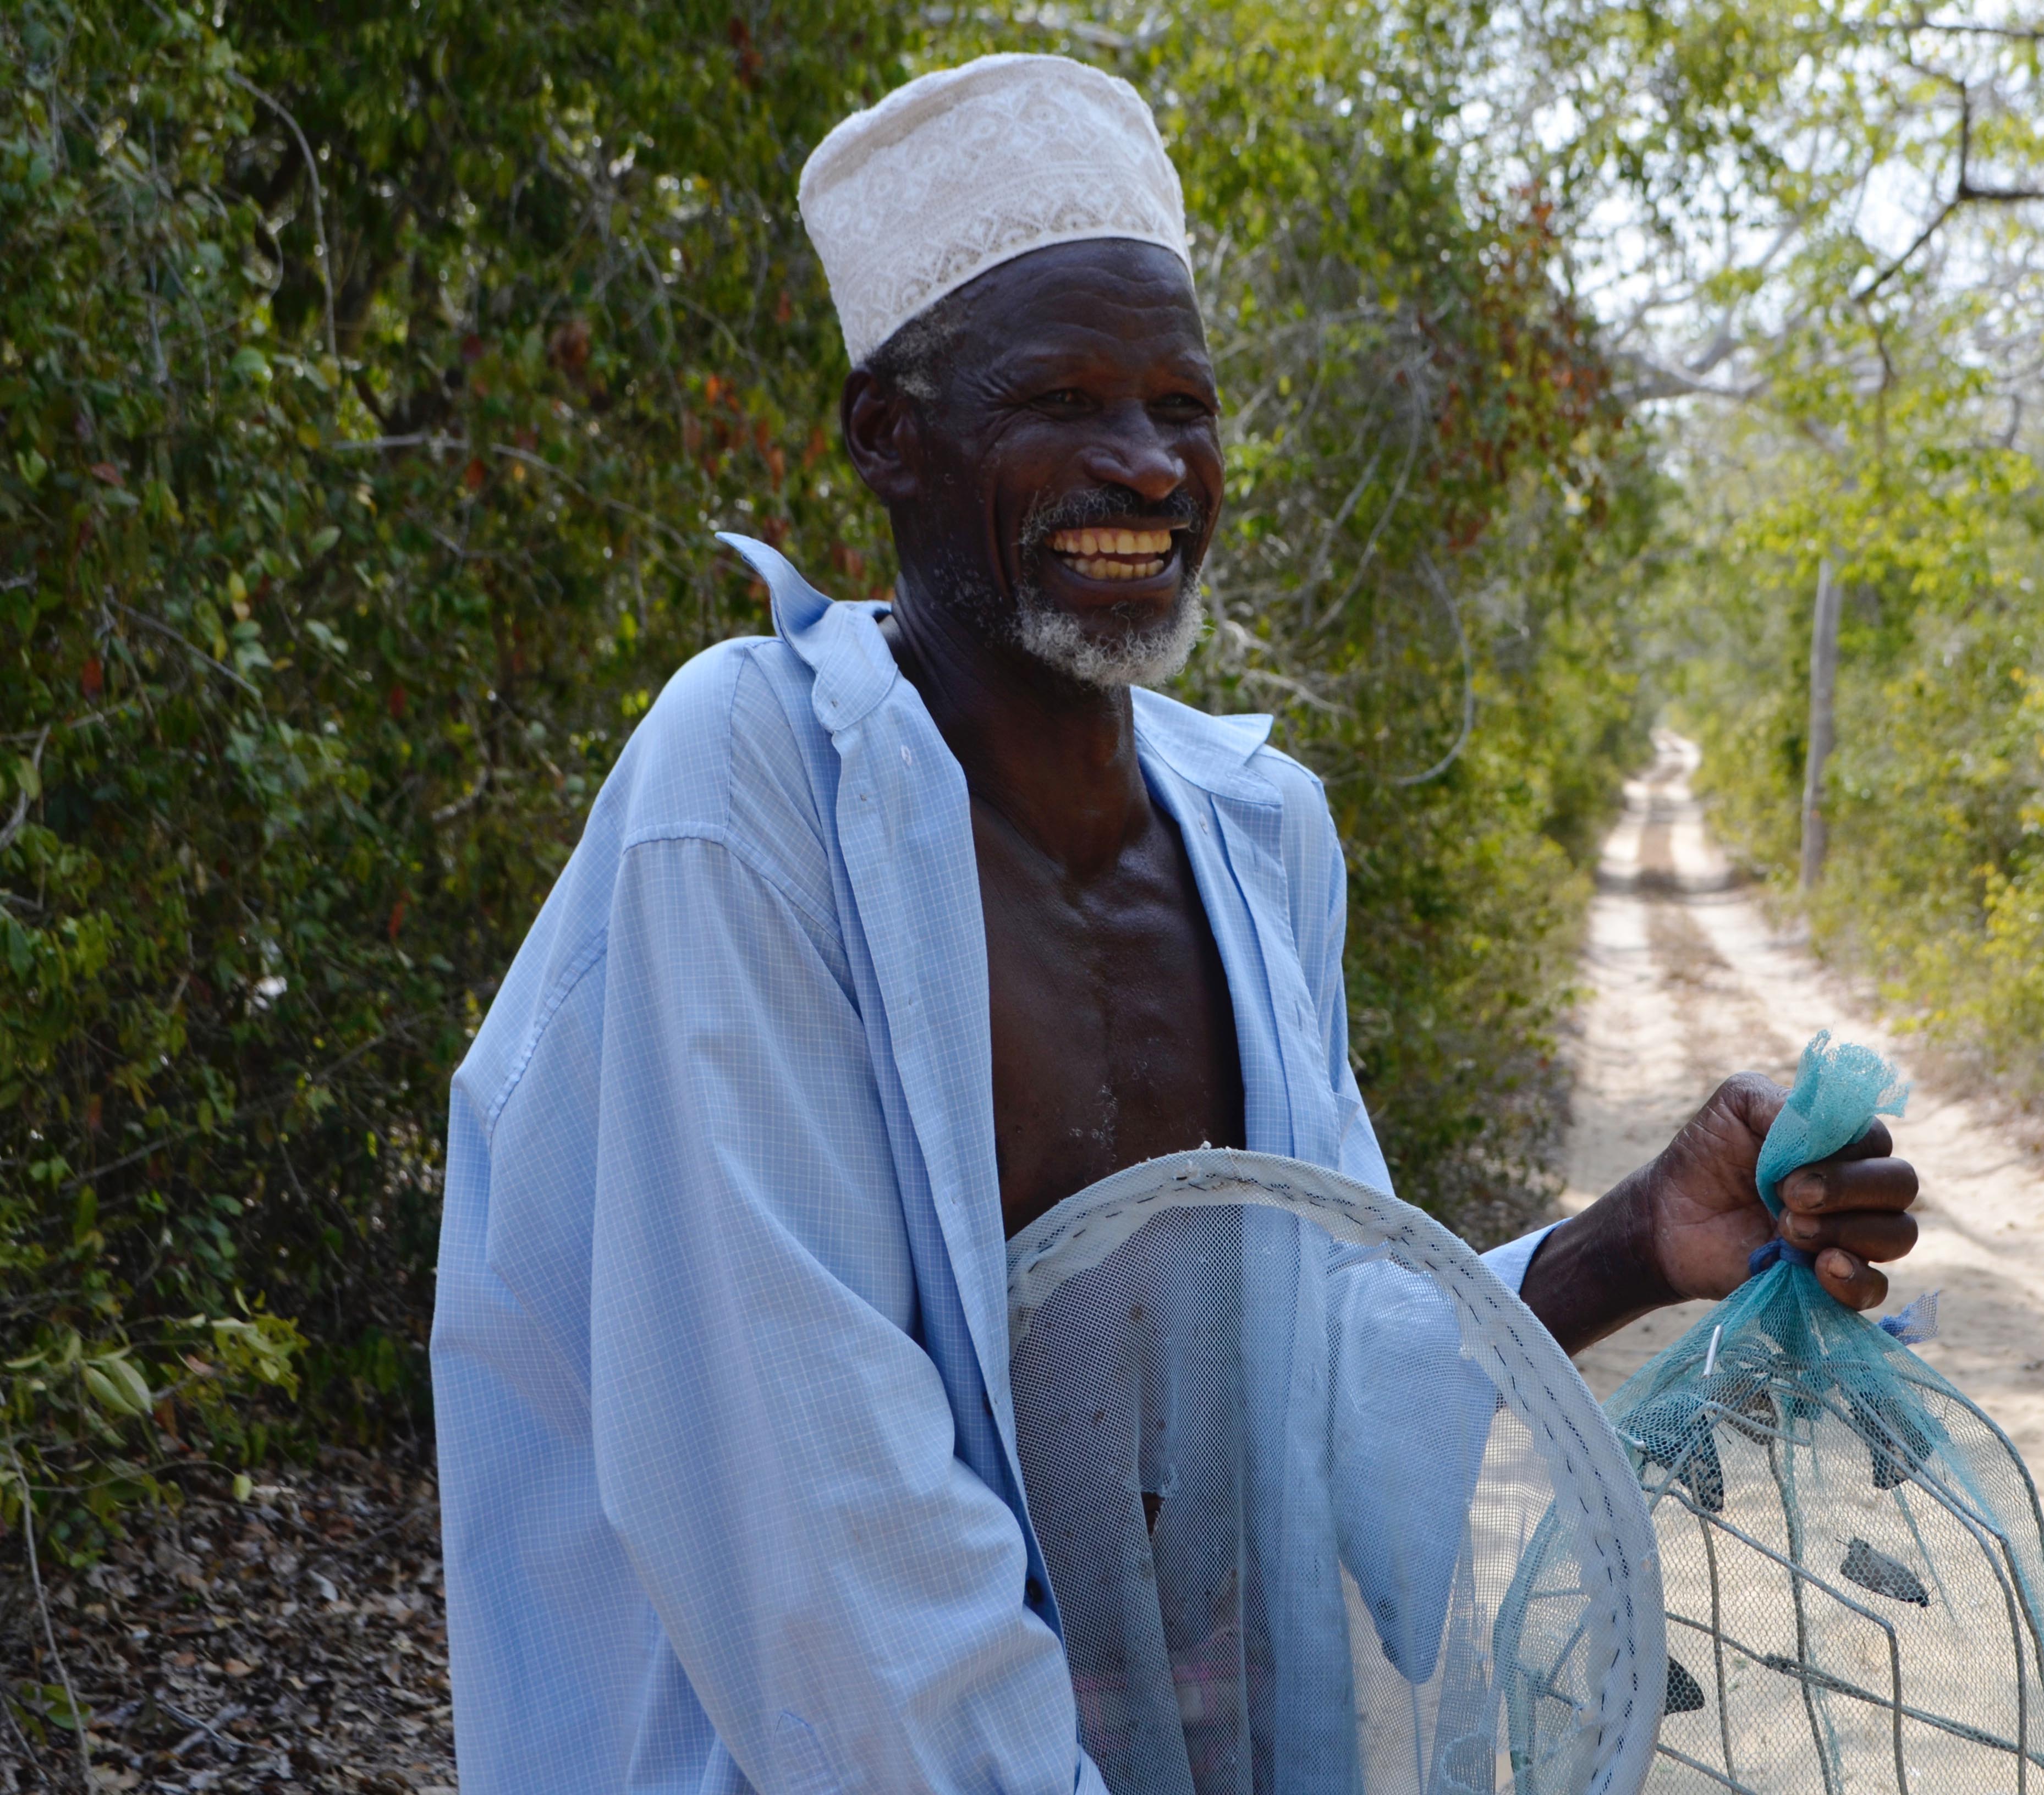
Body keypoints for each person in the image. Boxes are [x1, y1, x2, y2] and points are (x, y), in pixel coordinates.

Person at [430, 52, 1921, 1795]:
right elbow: (818, 1518)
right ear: (889, 440)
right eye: (1064, 396)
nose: (1146, 465)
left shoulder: (1259, 833)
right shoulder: (750, 792)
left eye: (1182, 404)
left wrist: (1629, 1245)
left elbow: (1307, 1372)